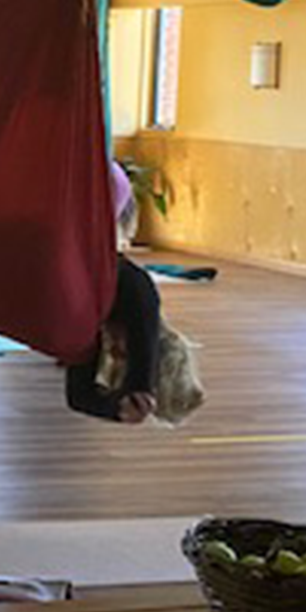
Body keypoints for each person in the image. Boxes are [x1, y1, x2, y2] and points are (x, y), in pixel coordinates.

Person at [64, 167, 204, 425]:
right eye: (120, 353)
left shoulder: (92, 324)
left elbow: (78, 396)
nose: (112, 349)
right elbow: (142, 345)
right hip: (98, 189)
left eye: (112, 354)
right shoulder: (136, 296)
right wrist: (138, 390)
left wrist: (116, 409)